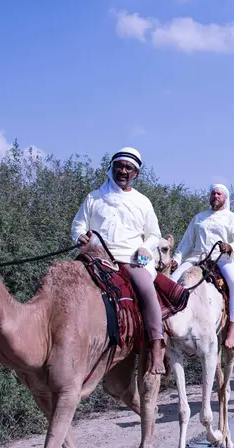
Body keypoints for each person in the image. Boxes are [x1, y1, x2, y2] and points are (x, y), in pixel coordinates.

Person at [70, 147, 166, 374]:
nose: (122, 170)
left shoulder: (142, 202)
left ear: (136, 174)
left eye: (128, 168)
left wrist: (145, 247)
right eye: (119, 166)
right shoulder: (94, 197)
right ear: (111, 168)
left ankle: (156, 346)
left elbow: (154, 234)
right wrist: (79, 236)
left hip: (129, 258)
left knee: (147, 290)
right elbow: (78, 224)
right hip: (94, 256)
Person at [171, 184, 234, 349]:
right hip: (196, 258)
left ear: (225, 198)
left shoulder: (232, 218)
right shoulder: (199, 217)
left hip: (221, 258)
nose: (215, 196)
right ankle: (168, 325)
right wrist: (177, 259)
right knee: (172, 280)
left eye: (219, 193)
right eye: (213, 193)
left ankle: (232, 328)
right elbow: (187, 242)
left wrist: (230, 247)